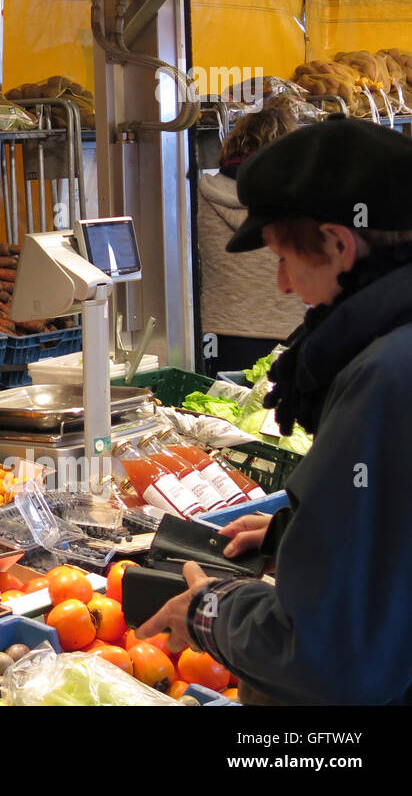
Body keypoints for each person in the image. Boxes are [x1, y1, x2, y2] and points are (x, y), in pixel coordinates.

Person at [138, 117, 412, 705]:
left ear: (341, 244)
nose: (284, 284)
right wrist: (304, 533)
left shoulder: (384, 377)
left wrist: (212, 612)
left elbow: (335, 654)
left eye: (286, 259)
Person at [196, 106, 305, 375]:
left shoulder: (200, 196)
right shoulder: (303, 201)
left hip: (221, 334)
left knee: (225, 414)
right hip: (293, 332)